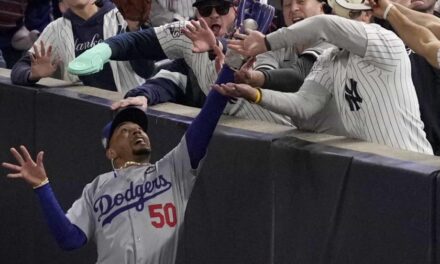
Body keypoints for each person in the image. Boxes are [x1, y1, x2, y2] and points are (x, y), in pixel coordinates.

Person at [1, 83, 229, 263]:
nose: (137, 131)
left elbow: (204, 125)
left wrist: (230, 66)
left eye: (139, 128)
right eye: (125, 131)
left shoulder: (173, 170)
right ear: (111, 151)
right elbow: (70, 239)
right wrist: (42, 186)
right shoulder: (97, 188)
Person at [218, 0, 433, 154]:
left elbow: (324, 26)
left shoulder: (386, 42)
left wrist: (266, 42)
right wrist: (256, 94)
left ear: (367, 15)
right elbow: (303, 104)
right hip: (370, 168)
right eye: (339, 15)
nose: (343, 24)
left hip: (412, 162)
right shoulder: (329, 57)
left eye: (351, 15)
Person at [68, 0, 294, 126]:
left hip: (279, 130)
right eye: (207, 10)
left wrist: (220, 47)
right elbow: (146, 49)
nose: (214, 15)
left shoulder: (262, 37)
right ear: (197, 13)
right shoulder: (191, 37)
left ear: (235, 10)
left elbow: (276, 80)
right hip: (237, 138)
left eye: (222, 9)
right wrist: (105, 49)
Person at [229, 0, 347, 136]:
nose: (293, 8)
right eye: (287, 4)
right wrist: (246, 75)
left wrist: (255, 79)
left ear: (322, 5)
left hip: (347, 142)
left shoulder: (334, 39)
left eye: (301, 1)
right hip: (307, 138)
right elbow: (267, 76)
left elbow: (299, 76)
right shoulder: (278, 43)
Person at [10, 0, 151, 93]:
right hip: (82, 112)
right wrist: (33, 75)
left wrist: (134, 30)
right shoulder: (56, 28)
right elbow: (18, 70)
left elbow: (146, 71)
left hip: (125, 108)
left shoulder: (122, 17)